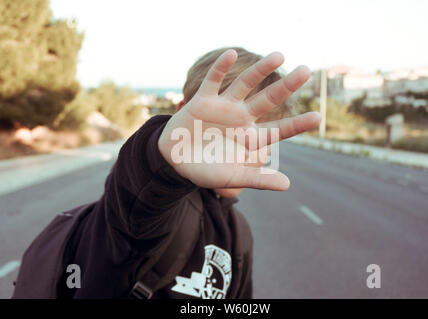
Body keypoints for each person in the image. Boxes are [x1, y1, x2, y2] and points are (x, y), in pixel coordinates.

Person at [13, 47, 321, 299]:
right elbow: (140, 193)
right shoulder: (156, 212)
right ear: (183, 112)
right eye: (239, 132)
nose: (262, 152)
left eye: (265, 137)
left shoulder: (238, 232)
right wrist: (164, 157)